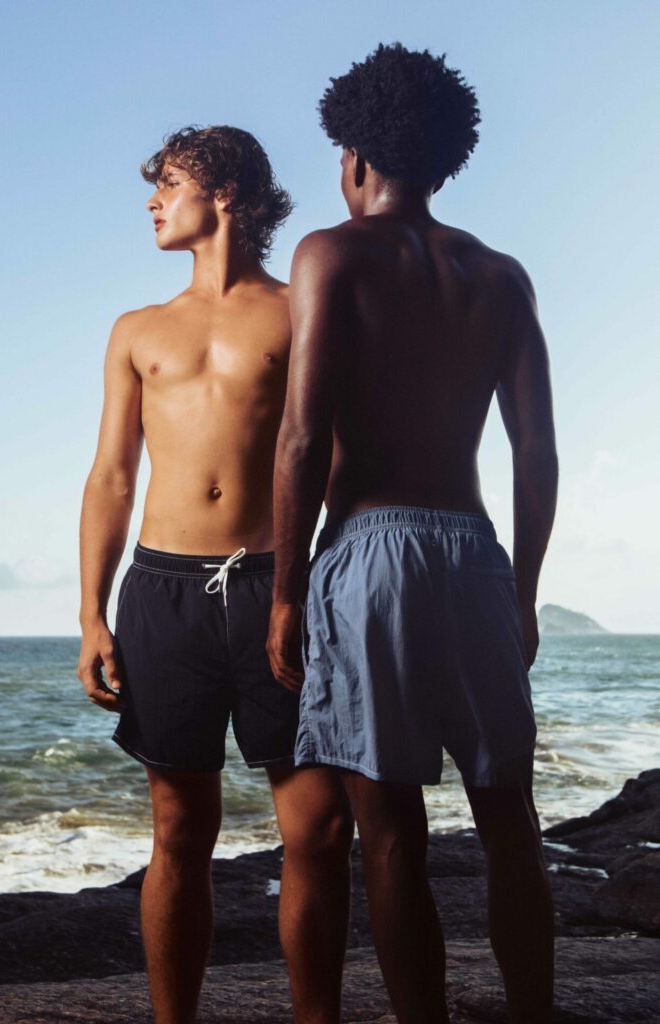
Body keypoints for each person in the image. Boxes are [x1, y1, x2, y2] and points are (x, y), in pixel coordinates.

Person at [268, 44, 558, 1024]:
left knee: (388, 831)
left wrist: (280, 592)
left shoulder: (328, 254)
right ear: (444, 160)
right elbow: (536, 457)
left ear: (353, 158)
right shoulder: (499, 276)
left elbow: (303, 437)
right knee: (507, 818)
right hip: (474, 553)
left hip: (371, 548)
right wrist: (518, 592)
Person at [77, 125, 353, 1024]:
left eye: (169, 183)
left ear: (224, 191)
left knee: (316, 828)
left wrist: (312, 591)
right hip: (162, 591)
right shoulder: (137, 331)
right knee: (180, 830)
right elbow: (112, 474)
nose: (154, 201)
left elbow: (339, 460)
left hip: (279, 584)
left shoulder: (297, 310)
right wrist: (89, 613)